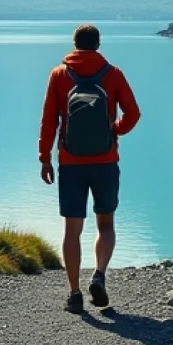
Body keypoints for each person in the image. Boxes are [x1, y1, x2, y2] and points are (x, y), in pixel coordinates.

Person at [39, 24, 141, 313]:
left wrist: (44, 157)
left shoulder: (59, 75)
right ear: (98, 44)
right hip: (105, 161)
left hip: (70, 162)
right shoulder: (113, 74)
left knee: (72, 229)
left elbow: (49, 120)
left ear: (74, 44)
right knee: (105, 223)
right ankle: (99, 274)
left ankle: (74, 293)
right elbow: (133, 114)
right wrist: (114, 131)